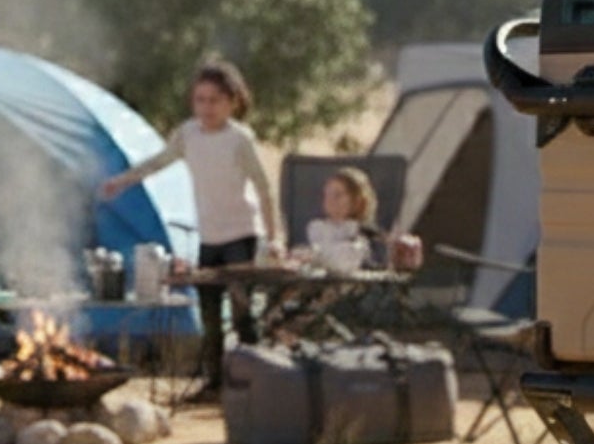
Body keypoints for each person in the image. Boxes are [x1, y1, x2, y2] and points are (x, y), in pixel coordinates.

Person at [98, 58, 279, 397]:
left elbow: (264, 187)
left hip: (241, 233)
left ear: (232, 102)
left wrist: (273, 237)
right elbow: (158, 162)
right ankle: (214, 382)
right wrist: (122, 181)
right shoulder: (188, 135)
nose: (207, 108)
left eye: (215, 100)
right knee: (210, 315)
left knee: (242, 312)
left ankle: (259, 380)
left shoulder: (240, 139)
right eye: (200, 100)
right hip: (209, 237)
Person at [302, 166, 383, 273]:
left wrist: (315, 256)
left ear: (357, 200)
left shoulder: (364, 233)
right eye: (327, 194)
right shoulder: (316, 227)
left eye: (337, 195)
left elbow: (346, 262)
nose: (330, 200)